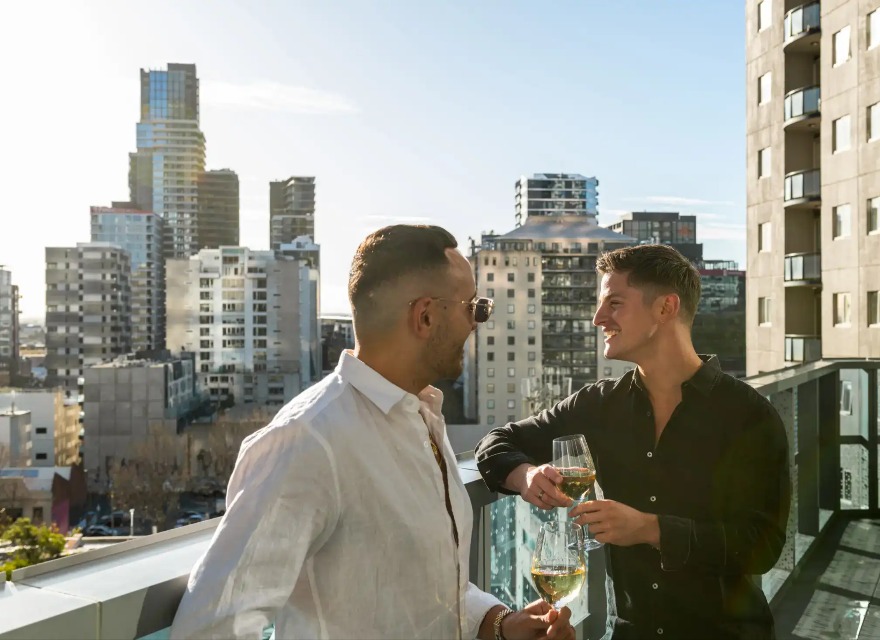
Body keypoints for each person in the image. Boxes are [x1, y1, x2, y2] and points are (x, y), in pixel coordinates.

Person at [170, 224, 574, 640]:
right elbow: (210, 628)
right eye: (473, 307)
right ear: (426, 316)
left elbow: (422, 587)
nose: (476, 323)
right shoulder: (308, 440)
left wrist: (498, 624)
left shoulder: (421, 416)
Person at [476, 244, 790, 640]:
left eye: (615, 303)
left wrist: (651, 529)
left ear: (665, 308)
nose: (598, 318)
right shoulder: (597, 404)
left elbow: (762, 546)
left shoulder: (748, 415)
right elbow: (496, 442)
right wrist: (525, 474)